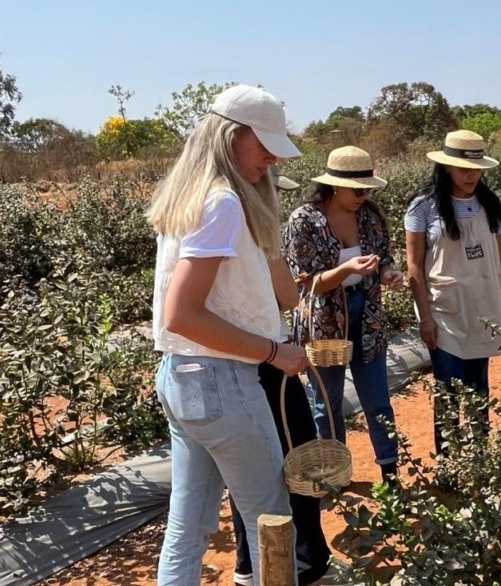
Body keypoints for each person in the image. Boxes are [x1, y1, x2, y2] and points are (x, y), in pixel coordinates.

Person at [147, 84, 310, 585]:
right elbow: (182, 314)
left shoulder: (190, 197)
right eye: (264, 145)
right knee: (270, 517)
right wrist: (274, 351)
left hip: (181, 377)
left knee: (188, 523)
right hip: (223, 382)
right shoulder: (223, 203)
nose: (271, 159)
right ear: (231, 135)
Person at [229, 169, 332, 586]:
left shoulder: (211, 227)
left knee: (245, 471)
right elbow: (288, 296)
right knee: (297, 459)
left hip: (230, 364)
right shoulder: (253, 234)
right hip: (267, 360)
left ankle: (247, 565)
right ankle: (305, 564)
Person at [285, 146, 402, 485]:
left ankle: (390, 474)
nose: (364, 197)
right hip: (324, 321)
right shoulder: (304, 220)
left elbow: (384, 257)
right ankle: (336, 475)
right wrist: (346, 269)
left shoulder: (370, 216)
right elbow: (305, 283)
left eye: (367, 190)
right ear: (335, 186)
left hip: (366, 315)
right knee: (327, 403)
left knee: (378, 401)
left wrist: (387, 274)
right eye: (358, 191)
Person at [404, 130, 501, 459]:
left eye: (477, 169)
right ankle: (448, 463)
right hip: (445, 313)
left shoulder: (489, 203)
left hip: (483, 308)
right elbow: (414, 265)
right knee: (449, 392)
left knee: (479, 388)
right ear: (447, 167)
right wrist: (425, 317)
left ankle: (481, 458)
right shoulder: (424, 207)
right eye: (464, 169)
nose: (471, 176)